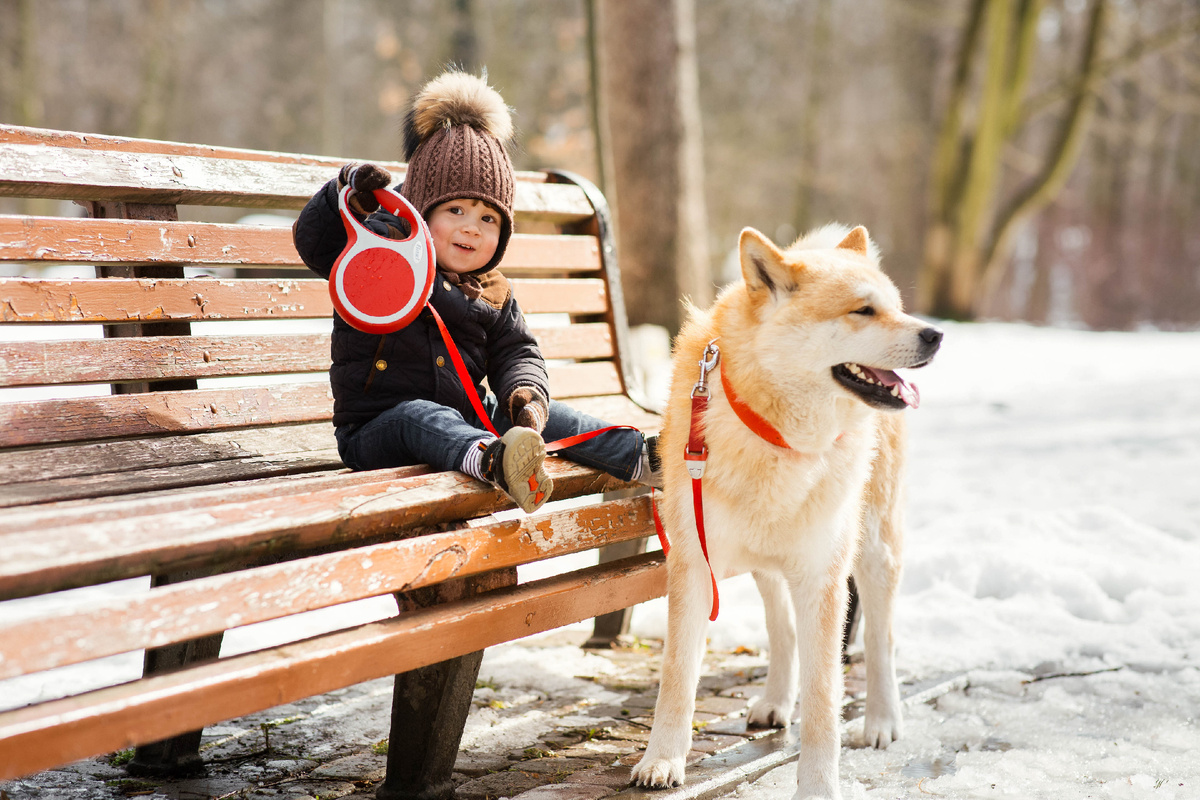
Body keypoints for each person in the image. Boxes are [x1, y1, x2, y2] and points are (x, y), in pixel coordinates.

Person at [293, 70, 659, 514]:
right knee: (420, 416)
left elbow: (516, 350)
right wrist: (345, 196)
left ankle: (642, 456)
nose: (471, 227)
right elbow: (318, 246)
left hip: (468, 416)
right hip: (378, 429)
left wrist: (525, 396)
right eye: (455, 210)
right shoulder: (382, 253)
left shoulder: (491, 290)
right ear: (422, 209)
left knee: (541, 417)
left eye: (488, 219)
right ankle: (495, 462)